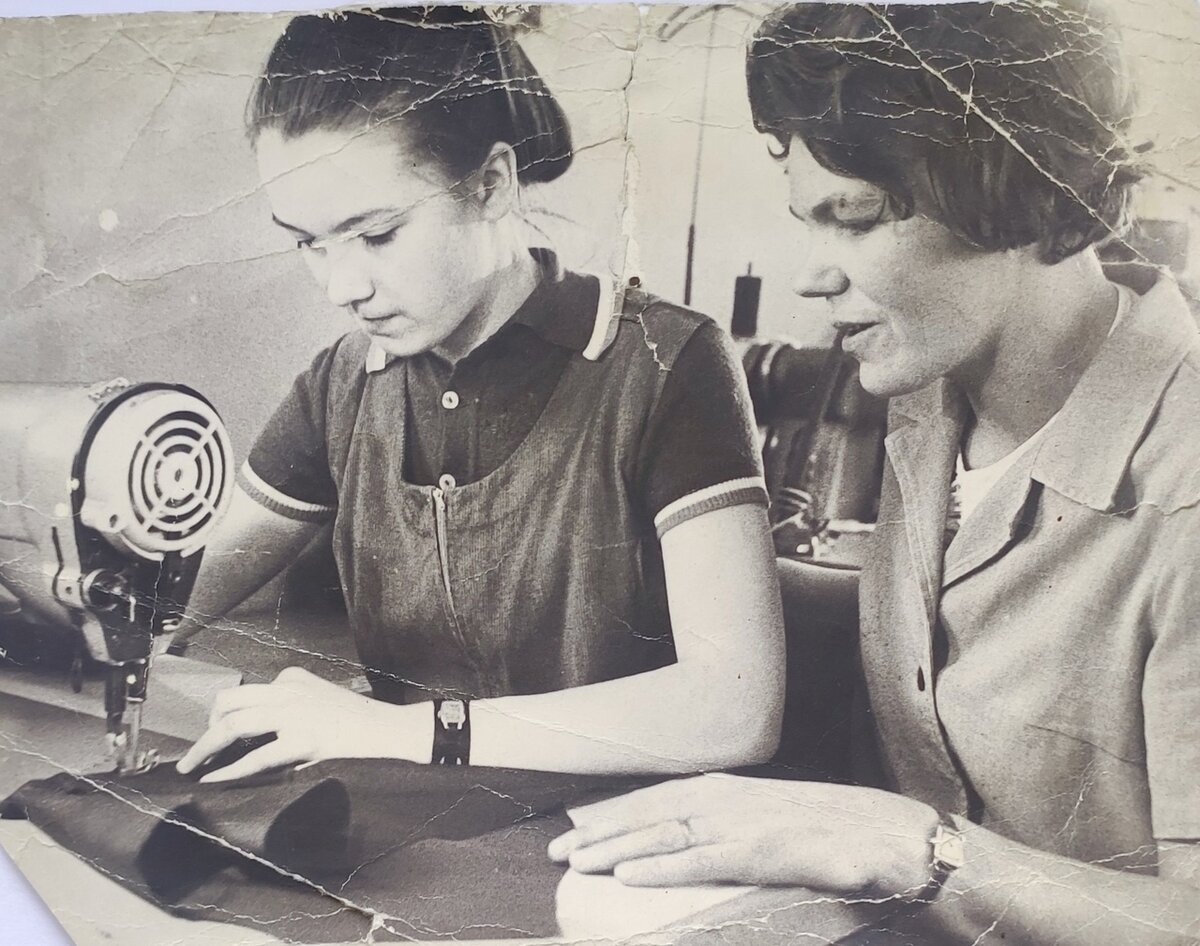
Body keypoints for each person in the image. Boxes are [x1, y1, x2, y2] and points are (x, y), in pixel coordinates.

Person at [549, 4, 1200, 942]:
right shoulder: (930, 389)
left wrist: (911, 845)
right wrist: (694, 578)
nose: (810, 276)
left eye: (852, 219)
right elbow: (955, 624)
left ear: (1020, 190)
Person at [172, 7, 784, 782]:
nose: (342, 287)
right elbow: (174, 597)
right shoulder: (344, 383)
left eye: (377, 235)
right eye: (308, 243)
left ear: (492, 184)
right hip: (418, 822)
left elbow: (735, 708)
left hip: (619, 832)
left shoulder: (664, 362)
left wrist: (402, 729)